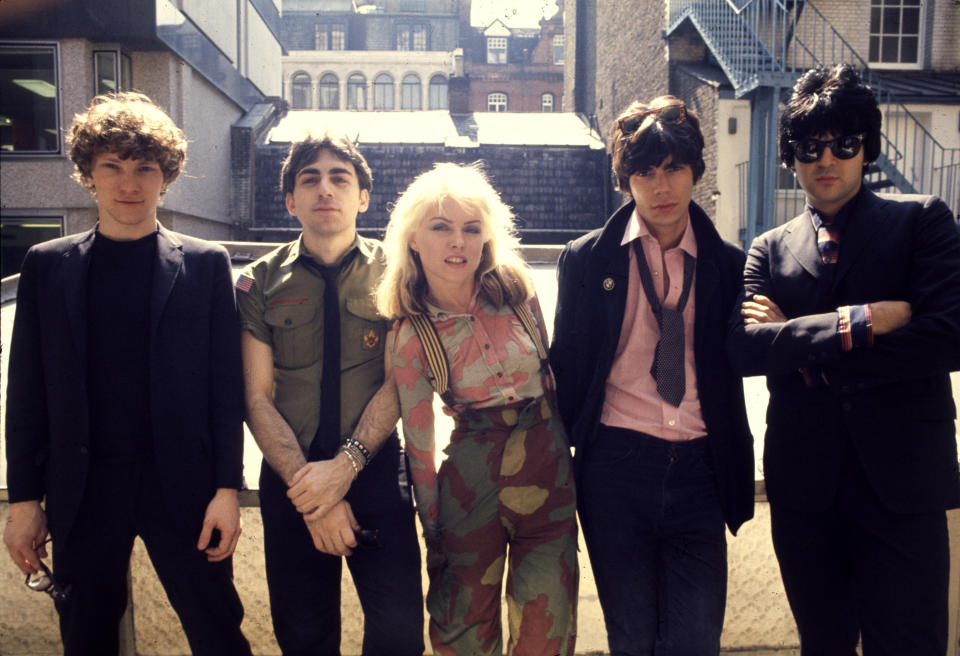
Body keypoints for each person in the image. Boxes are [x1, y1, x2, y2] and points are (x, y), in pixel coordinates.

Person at [2, 92, 251, 655]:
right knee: (86, 638)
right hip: (84, 489)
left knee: (217, 633)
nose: (129, 183)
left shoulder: (205, 263)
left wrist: (225, 488)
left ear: (166, 177)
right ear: (88, 173)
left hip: (182, 487)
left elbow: (223, 387)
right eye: (111, 166)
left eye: (144, 168)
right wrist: (24, 501)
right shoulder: (46, 264)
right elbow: (27, 395)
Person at [727, 63, 960, 655]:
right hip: (808, 492)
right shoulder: (769, 249)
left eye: (844, 143)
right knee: (822, 647)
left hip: (903, 488)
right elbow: (746, 349)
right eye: (809, 146)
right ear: (791, 156)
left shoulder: (923, 222)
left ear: (868, 149)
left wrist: (805, 353)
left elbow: (945, 337)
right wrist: (859, 322)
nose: (825, 158)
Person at [550, 95, 755, 655]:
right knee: (633, 638)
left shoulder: (730, 264)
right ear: (626, 180)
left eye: (674, 169)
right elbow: (565, 366)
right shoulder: (587, 261)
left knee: (695, 640)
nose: (661, 186)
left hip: (699, 469)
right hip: (615, 468)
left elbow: (747, 356)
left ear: (695, 173)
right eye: (645, 172)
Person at [375, 162, 578, 655]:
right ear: (413, 240)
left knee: (546, 628)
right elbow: (419, 450)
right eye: (441, 228)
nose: (458, 243)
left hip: (546, 466)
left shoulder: (517, 290)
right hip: (471, 482)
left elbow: (551, 382)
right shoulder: (410, 335)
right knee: (463, 631)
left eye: (470, 229)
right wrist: (434, 533)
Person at [236, 132, 424, 656]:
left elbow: (398, 382)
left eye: (340, 178)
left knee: (399, 635)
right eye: (309, 179)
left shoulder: (401, 274)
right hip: (290, 478)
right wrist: (314, 497)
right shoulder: (257, 283)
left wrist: (343, 471)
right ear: (291, 199)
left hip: (377, 474)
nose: (325, 189)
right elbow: (256, 397)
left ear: (363, 196)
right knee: (304, 638)